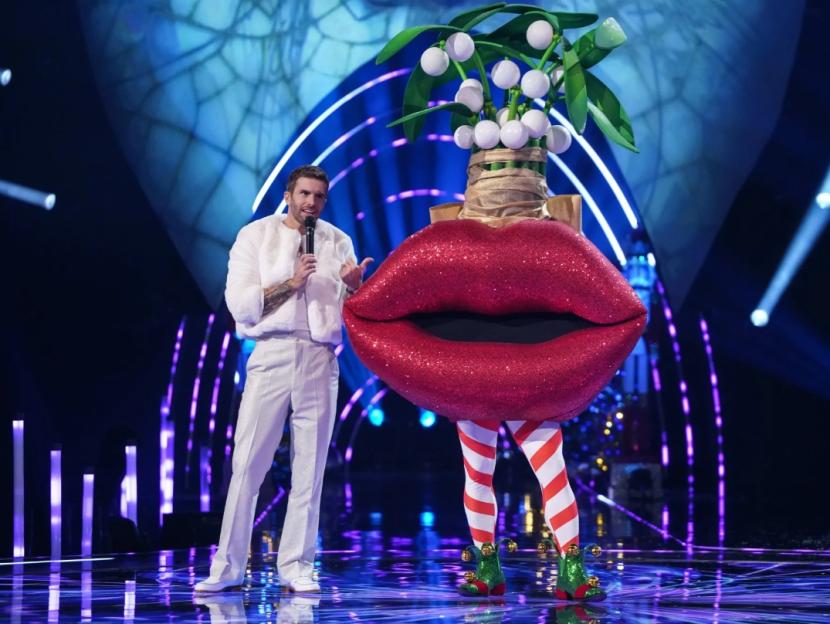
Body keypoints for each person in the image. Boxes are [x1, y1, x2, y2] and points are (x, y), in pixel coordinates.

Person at [195, 165, 372, 593]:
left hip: (319, 357)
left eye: (319, 196)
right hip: (271, 352)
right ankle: (227, 568)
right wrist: (292, 282)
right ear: (289, 195)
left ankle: (297, 566)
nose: (311, 202)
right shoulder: (255, 236)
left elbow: (349, 312)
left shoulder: (338, 241)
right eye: (304, 194)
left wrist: (354, 288)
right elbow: (241, 305)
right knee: (248, 465)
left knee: (310, 469)